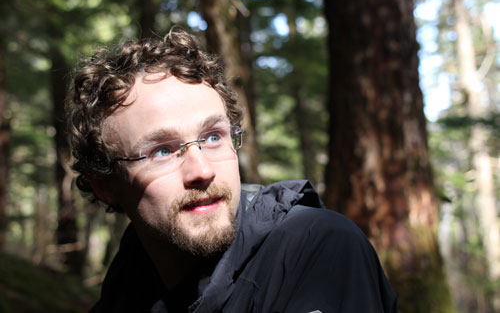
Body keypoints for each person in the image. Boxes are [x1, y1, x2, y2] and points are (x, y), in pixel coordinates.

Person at [67, 27, 397, 312]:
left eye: (212, 137)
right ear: (104, 184)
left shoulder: (315, 246)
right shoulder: (132, 275)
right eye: (162, 151)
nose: (202, 170)